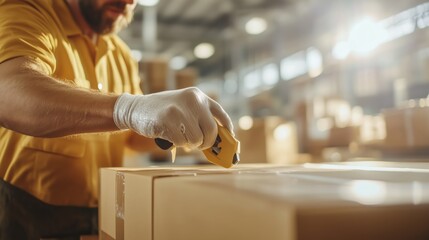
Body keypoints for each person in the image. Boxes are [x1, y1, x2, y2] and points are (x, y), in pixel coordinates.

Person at [0, 0, 234, 239]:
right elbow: (9, 94)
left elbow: (132, 136)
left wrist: (188, 130)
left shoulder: (120, 54)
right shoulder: (29, 12)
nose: (129, 1)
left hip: (102, 209)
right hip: (27, 213)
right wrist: (129, 108)